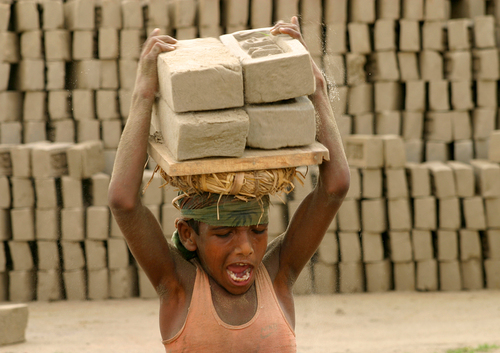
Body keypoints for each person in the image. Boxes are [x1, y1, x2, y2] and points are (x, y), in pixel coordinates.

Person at [108, 17, 350, 352]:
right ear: (189, 234)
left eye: (258, 230)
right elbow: (123, 202)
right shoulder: (180, 289)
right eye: (224, 234)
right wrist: (144, 94)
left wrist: (315, 87)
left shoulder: (278, 277)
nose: (246, 248)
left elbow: (335, 187)